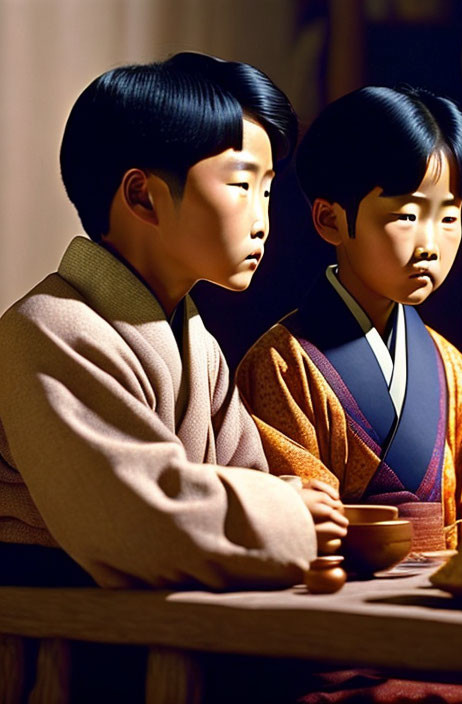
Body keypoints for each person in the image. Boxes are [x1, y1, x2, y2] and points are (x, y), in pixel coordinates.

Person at [0, 52, 347, 590]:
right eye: (240, 185)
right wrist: (289, 515)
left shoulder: (196, 343)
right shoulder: (46, 329)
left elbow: (247, 480)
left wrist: (289, 510)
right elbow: (134, 522)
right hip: (63, 649)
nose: (262, 220)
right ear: (143, 196)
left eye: (269, 190)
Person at [236, 86, 462, 551]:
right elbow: (292, 511)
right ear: (330, 221)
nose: (430, 244)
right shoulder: (282, 366)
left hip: (450, 597)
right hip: (338, 603)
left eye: (448, 218)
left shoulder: (450, 368)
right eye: (407, 216)